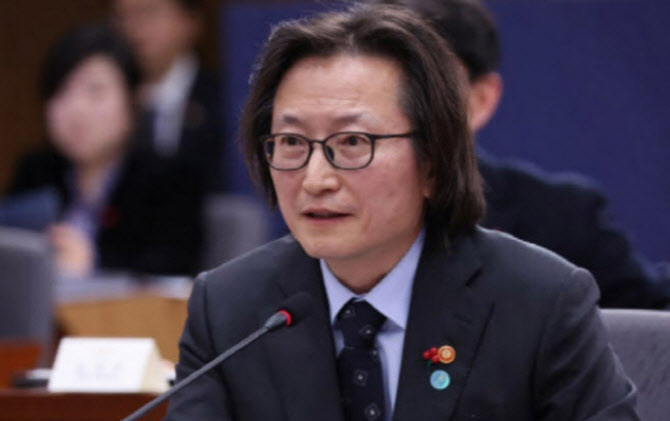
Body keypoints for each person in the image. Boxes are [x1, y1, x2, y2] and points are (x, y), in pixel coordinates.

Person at [165, 5, 638, 421]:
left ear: (433, 162)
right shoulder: (228, 310)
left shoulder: (540, 303)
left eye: (353, 142)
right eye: (291, 142)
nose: (315, 179)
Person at [369, 0, 670, 309]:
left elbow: (653, 322)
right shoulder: (336, 211)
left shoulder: (560, 222)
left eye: (424, 86)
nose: (396, 108)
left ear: (481, 99)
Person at [5, 25, 203, 277]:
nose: (76, 109)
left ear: (133, 101)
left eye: (95, 92)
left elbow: (172, 268)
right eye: (61, 91)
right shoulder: (35, 171)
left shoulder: (171, 178)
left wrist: (94, 263)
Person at [113, 0, 225, 193]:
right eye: (123, 16)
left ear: (191, 21)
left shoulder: (224, 99)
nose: (133, 26)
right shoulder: (107, 101)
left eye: (149, 12)